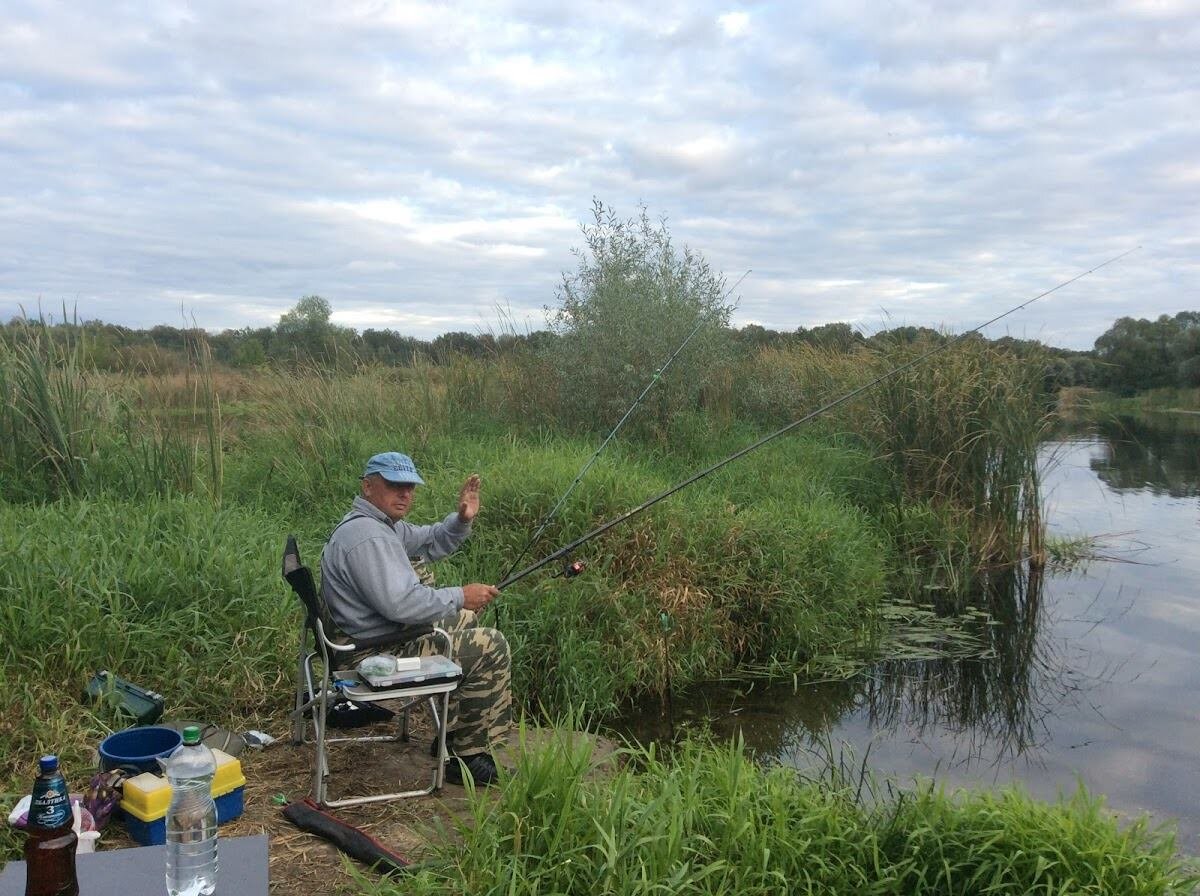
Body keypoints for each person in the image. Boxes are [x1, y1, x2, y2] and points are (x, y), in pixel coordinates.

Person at [320, 451, 509, 786]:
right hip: (372, 656)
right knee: (491, 645)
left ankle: (451, 738)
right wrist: (459, 596)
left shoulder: (380, 526)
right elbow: (403, 605)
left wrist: (462, 519)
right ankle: (468, 759)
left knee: (466, 623)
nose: (405, 493)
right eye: (395, 485)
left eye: (409, 486)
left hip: (376, 637)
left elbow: (430, 540)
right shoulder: (369, 537)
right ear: (368, 486)